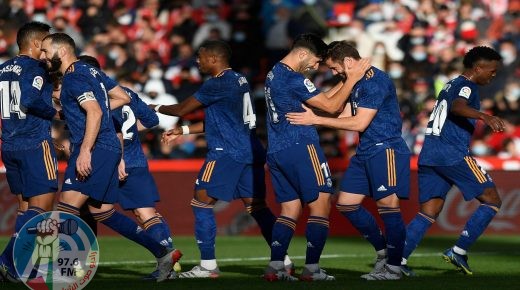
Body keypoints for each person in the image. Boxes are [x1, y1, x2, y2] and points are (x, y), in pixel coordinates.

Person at [39, 33, 178, 282]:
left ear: (62, 51)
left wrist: (84, 150)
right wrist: (76, 115)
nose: (43, 56)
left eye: (46, 51)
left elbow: (93, 110)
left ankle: (64, 269)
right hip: (109, 147)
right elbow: (123, 98)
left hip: (94, 148)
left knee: (67, 208)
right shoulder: (91, 72)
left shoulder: (74, 77)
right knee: (101, 211)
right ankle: (162, 252)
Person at [152, 40, 289, 278]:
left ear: (214, 59)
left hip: (226, 152)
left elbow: (181, 109)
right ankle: (282, 261)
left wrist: (153, 107)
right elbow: (221, 121)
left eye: (201, 56)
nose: (197, 60)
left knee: (201, 203)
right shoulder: (239, 79)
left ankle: (208, 266)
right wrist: (183, 131)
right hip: (250, 149)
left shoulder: (217, 83)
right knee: (257, 208)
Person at [285, 40, 410, 281]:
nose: (333, 72)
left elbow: (359, 123)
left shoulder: (376, 81)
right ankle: (384, 253)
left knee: (388, 208)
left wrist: (316, 120)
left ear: (349, 62)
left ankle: (394, 268)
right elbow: (345, 112)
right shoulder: (356, 81)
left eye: (334, 67)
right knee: (346, 204)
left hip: (386, 149)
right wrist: (313, 111)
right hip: (365, 151)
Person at [263, 35, 369, 281]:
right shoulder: (294, 78)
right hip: (301, 146)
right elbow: (331, 108)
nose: (316, 66)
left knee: (290, 208)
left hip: (277, 149)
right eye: (315, 61)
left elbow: (322, 101)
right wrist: (353, 78)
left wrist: (344, 82)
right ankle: (312, 269)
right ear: (302, 54)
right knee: (321, 205)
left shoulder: (274, 73)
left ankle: (276, 267)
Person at [399, 46, 504, 276]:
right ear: (478, 68)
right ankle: (459, 250)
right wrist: (484, 115)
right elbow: (457, 107)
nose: (493, 75)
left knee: (429, 211)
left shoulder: (451, 83)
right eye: (492, 71)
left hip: (429, 153)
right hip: (451, 153)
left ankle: (398, 261)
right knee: (492, 200)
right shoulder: (467, 86)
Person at [77, 55, 182, 280]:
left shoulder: (94, 96)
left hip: (111, 161)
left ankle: (83, 264)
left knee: (86, 209)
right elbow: (152, 120)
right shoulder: (127, 92)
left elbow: (113, 131)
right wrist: (132, 133)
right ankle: (168, 261)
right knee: (146, 214)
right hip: (136, 160)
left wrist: (120, 155)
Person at [0, 21, 58, 282]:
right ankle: (8, 261)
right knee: (43, 209)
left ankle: (31, 267)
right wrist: (56, 113)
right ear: (35, 43)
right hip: (34, 142)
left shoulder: (2, 69)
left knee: (26, 208)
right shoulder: (35, 67)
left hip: (10, 144)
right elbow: (29, 99)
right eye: (46, 42)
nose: (48, 49)